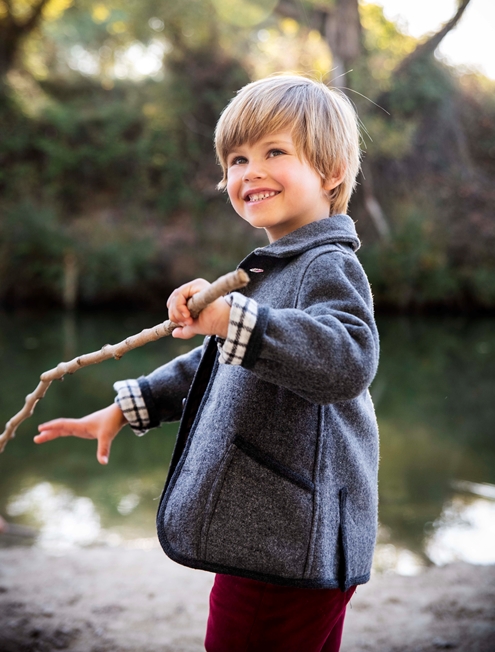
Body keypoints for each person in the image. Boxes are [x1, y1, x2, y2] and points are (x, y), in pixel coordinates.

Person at [35, 75, 380, 652]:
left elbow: (348, 358)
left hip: (286, 539)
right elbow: (217, 364)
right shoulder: (280, 266)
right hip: (279, 536)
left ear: (331, 171)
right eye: (238, 158)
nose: (251, 171)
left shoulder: (326, 264)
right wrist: (128, 405)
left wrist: (229, 318)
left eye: (276, 152)